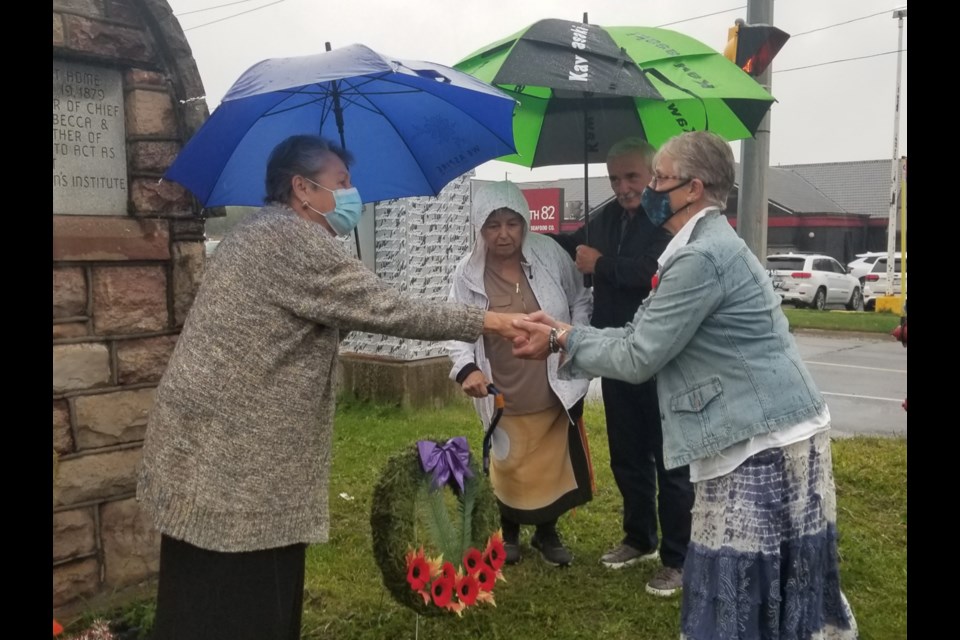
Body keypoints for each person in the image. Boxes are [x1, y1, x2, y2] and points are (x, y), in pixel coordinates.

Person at [136, 135, 526, 640]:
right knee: (244, 596)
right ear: (302, 187)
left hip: (206, 443)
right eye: (341, 182)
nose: (351, 193)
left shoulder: (257, 232)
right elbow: (393, 310)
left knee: (201, 589)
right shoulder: (292, 241)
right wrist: (492, 320)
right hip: (238, 456)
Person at [513, 131, 859, 639]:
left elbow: (639, 353)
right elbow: (640, 334)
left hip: (760, 442)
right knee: (774, 587)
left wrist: (560, 340)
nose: (648, 187)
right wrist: (567, 333)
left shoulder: (700, 257)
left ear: (693, 188)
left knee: (741, 591)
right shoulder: (699, 245)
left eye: (658, 177)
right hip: (770, 430)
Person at [548, 137, 693, 596]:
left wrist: (603, 264)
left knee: (670, 462)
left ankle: (678, 557)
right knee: (627, 453)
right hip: (615, 353)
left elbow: (655, 271)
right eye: (615, 178)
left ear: (652, 174)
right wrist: (518, 235)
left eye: (632, 176)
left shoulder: (668, 219)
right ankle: (639, 538)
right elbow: (571, 246)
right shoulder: (606, 218)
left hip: (661, 356)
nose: (624, 187)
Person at [446, 180, 594, 567]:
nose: (504, 234)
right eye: (493, 225)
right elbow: (455, 325)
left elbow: (581, 297)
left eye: (512, 223)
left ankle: (548, 533)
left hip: (551, 381)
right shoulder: (466, 272)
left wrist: (572, 340)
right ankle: (508, 530)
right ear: (479, 227)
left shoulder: (548, 253)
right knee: (508, 462)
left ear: (525, 222)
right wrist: (467, 368)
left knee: (551, 463)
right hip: (502, 386)